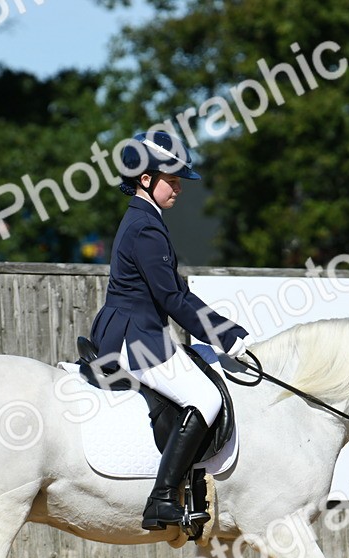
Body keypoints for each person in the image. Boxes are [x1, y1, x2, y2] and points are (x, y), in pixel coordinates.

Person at [89, 131, 253, 531]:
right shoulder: (145, 227)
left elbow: (177, 291)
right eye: (172, 178)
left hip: (136, 329)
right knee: (206, 398)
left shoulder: (147, 221)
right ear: (146, 179)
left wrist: (227, 330)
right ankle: (162, 499)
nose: (179, 185)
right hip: (135, 338)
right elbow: (171, 300)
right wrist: (226, 337)